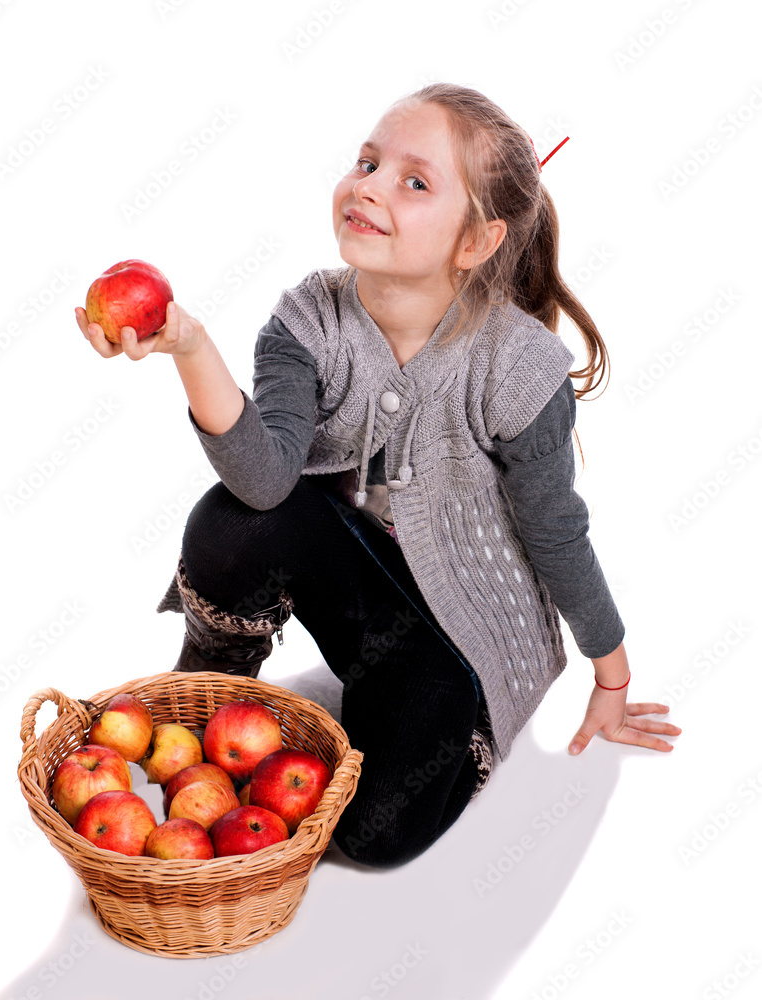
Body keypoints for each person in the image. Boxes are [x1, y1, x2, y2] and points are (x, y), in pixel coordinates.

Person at [75, 83, 681, 868]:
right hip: (360, 588)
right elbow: (265, 482)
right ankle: (215, 688)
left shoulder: (518, 368)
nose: (367, 184)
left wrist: (612, 676)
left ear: (475, 242)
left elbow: (555, 530)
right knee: (234, 519)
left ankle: (418, 722)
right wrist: (189, 345)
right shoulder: (308, 322)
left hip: (464, 635)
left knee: (373, 835)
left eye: (413, 180)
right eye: (367, 161)